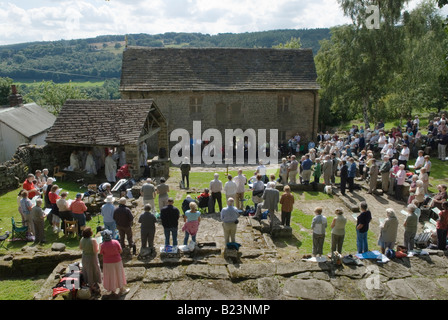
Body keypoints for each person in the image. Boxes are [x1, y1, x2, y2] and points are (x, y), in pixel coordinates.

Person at [99, 229, 129, 296]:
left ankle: (112, 290)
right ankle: (121, 289)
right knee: (119, 274)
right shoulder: (115, 242)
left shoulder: (102, 245)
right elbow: (120, 251)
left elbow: (101, 254)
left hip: (107, 263)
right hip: (117, 261)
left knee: (110, 276)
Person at [79, 227, 102, 295]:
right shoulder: (93, 240)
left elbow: (80, 248)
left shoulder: (82, 239)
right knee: (94, 269)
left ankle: (89, 283)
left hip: (84, 256)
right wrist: (98, 245)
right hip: (92, 257)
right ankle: (93, 285)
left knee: (86, 269)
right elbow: (96, 250)